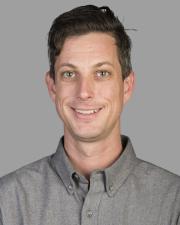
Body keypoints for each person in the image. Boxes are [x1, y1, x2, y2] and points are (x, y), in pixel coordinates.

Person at [0, 4, 179, 225]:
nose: (84, 92)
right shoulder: (7, 201)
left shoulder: (173, 201)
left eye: (102, 73)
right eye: (69, 74)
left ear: (127, 86)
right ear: (52, 87)